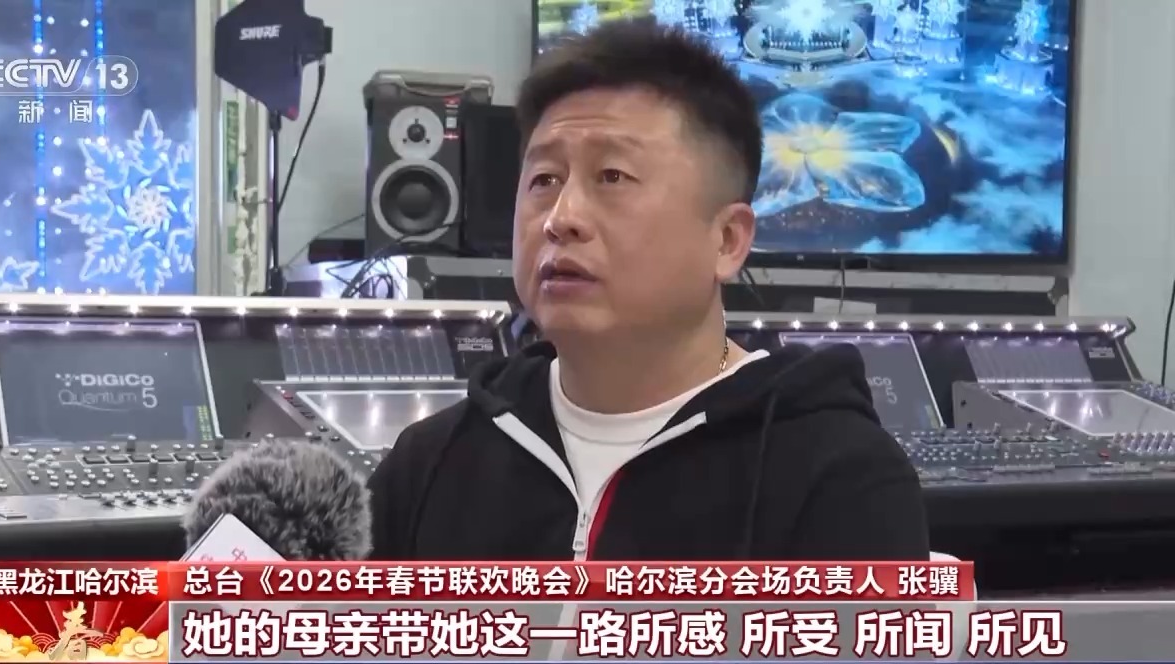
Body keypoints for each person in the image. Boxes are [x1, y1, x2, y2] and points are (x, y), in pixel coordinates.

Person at [368, 19, 929, 561]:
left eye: (612, 177)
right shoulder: (429, 465)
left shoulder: (838, 476)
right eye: (544, 180)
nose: (561, 218)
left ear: (727, 240)